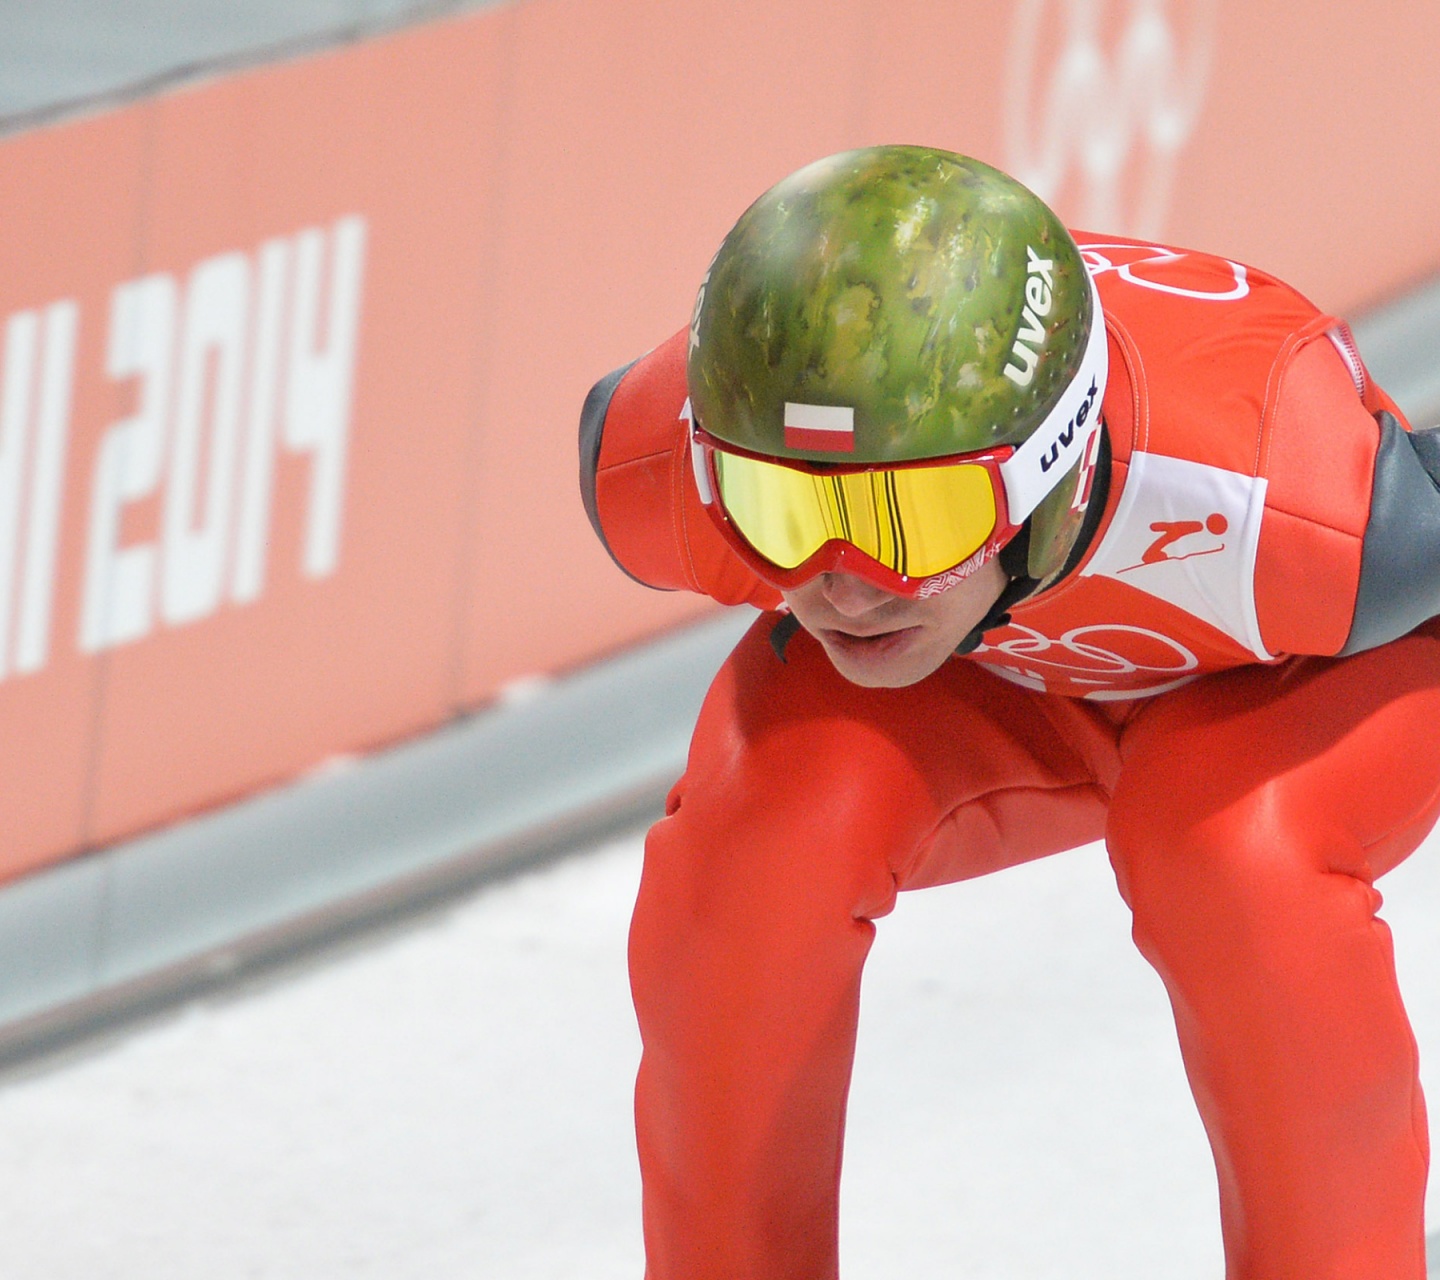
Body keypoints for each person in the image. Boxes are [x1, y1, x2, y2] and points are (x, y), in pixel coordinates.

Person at [578, 144, 1440, 1280]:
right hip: (993, 668)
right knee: (761, 836)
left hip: (1285, 678)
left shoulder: (1301, 511)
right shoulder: (661, 483)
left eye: (914, 516)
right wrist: (904, 539)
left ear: (1056, 468)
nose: (846, 582)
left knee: (1229, 849)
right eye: (782, 510)